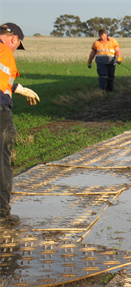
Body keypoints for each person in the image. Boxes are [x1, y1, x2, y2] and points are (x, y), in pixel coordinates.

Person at [0, 23, 40, 222]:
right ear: (14, 38)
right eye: (18, 45)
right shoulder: (4, 51)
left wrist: (16, 88)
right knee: (2, 162)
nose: (16, 49)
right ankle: (1, 212)